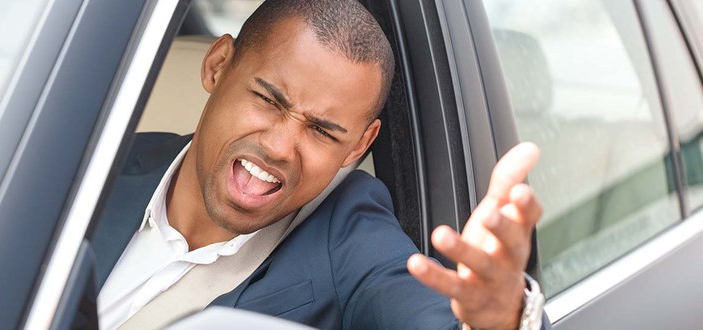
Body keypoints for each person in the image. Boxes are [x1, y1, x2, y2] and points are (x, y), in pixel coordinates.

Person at [90, 0, 549, 329]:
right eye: (268, 100)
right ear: (217, 66)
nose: (280, 147)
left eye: (323, 131)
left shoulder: (350, 234)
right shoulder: (100, 168)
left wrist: (502, 320)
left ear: (357, 147)